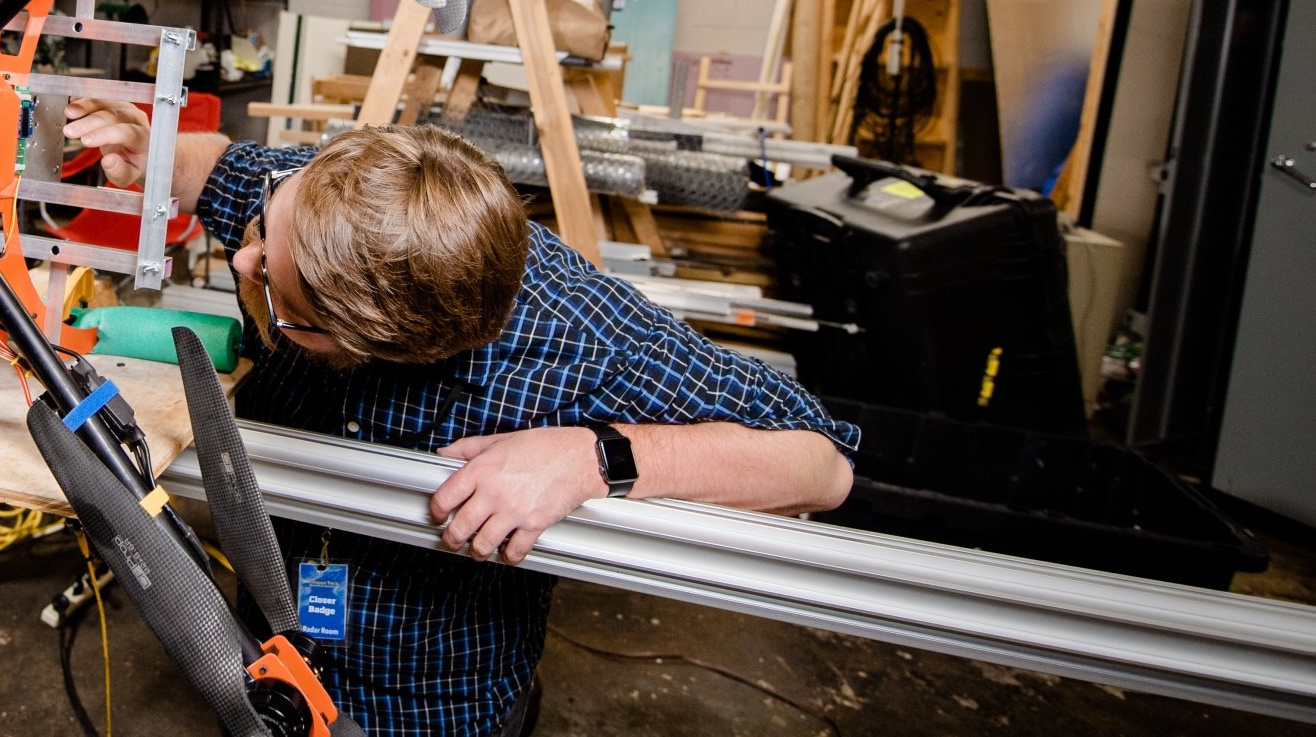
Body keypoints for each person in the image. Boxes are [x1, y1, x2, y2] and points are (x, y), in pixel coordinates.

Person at [63, 99, 859, 737]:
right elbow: (225, 170)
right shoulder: (327, 202)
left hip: (428, 704)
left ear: (368, 340)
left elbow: (821, 465)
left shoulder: (577, 332)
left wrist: (597, 457)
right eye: (265, 227)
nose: (243, 260)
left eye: (276, 291)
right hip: (266, 644)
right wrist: (153, 150)